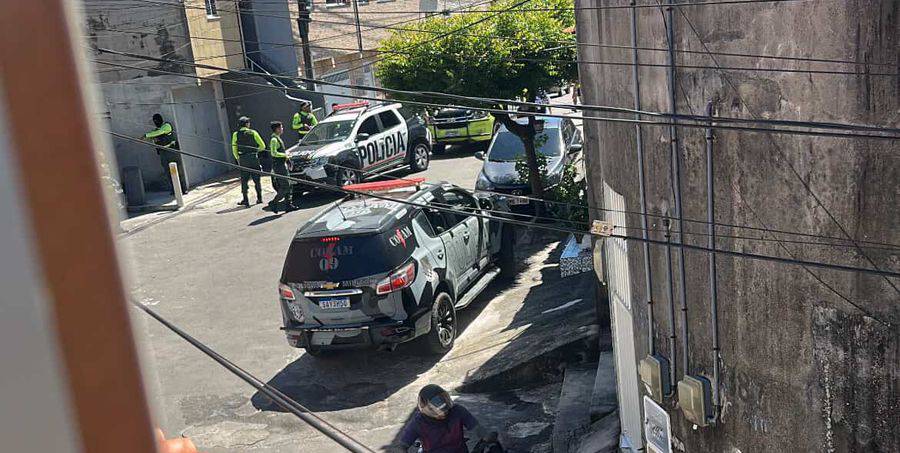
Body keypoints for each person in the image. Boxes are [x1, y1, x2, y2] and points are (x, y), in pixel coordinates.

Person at [393, 384, 498, 453]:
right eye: (438, 411)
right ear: (425, 407)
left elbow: (476, 427)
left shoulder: (457, 411)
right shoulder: (418, 422)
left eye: (446, 409)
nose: (444, 413)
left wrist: (486, 436)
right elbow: (402, 445)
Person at [144, 113, 188, 195]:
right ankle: (174, 190)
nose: (156, 122)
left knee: (179, 171)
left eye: (157, 120)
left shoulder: (167, 126)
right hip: (163, 154)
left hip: (173, 152)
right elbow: (154, 139)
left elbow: (161, 132)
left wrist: (146, 135)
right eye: (154, 121)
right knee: (169, 173)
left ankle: (183, 188)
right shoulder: (155, 131)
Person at [231, 116, 265, 206]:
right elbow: (262, 146)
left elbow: (234, 149)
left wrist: (238, 158)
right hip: (254, 158)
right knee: (257, 179)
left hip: (243, 159)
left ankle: (246, 200)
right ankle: (259, 198)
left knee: (244, 180)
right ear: (246, 124)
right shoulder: (253, 132)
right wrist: (255, 151)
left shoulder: (235, 134)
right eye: (248, 122)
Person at [267, 121, 294, 213]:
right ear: (277, 129)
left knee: (289, 185)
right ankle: (274, 202)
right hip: (279, 166)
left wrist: (287, 159)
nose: (282, 129)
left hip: (283, 164)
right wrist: (285, 155)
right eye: (281, 127)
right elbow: (273, 153)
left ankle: (289, 205)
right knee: (285, 186)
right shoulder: (274, 140)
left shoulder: (278, 138)